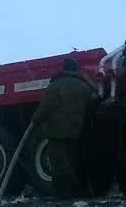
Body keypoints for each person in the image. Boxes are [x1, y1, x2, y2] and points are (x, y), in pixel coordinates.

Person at [32, 57, 97, 198]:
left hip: (56, 131)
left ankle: (62, 195)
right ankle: (77, 192)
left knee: (59, 163)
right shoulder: (84, 87)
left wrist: (35, 119)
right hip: (75, 131)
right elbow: (91, 106)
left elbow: (46, 108)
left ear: (63, 68)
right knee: (73, 161)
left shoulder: (55, 85)